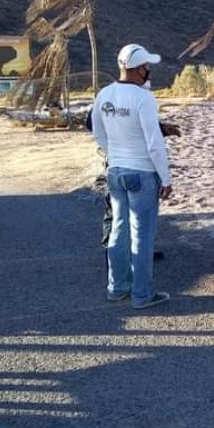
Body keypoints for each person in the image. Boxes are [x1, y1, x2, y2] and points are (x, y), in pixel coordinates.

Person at [90, 43, 172, 309]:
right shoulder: (143, 99)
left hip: (115, 170)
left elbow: (98, 131)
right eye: (147, 66)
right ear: (138, 69)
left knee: (119, 230)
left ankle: (117, 287)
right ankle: (142, 294)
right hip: (142, 173)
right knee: (142, 236)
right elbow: (154, 143)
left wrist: (113, 154)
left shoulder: (104, 94)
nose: (149, 71)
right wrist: (166, 178)